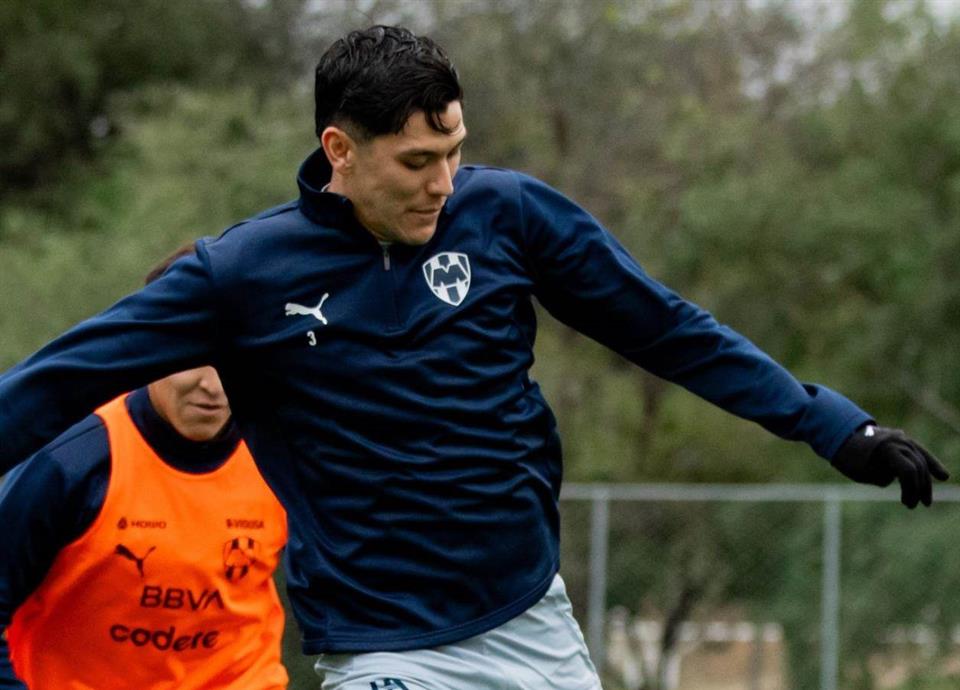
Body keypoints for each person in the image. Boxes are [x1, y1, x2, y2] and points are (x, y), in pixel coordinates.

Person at [0, 25, 949, 690]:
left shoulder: (508, 216)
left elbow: (667, 330)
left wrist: (833, 424)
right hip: (382, 647)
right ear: (340, 150)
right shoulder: (240, 274)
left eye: (454, 151)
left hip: (529, 617)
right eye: (416, 162)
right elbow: (56, 382)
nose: (443, 183)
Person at [0, 250, 289, 689]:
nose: (213, 387)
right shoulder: (72, 460)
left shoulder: (286, 449)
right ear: (152, 351)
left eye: (234, 360)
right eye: (195, 357)